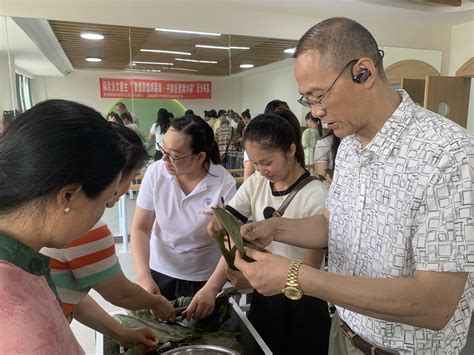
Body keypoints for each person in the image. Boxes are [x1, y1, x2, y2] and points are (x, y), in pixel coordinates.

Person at [234, 17, 474, 354]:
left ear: (363, 72)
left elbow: (435, 304)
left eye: (319, 96)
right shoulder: (348, 146)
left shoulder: (448, 155)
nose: (316, 112)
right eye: (307, 100)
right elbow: (334, 226)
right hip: (344, 335)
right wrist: (276, 228)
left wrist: (295, 276)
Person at [186, 107, 330, 354]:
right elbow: (230, 228)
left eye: (267, 162)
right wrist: (211, 287)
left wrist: (253, 279)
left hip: (302, 301)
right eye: (254, 163)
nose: (261, 170)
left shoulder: (315, 195)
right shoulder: (257, 183)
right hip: (265, 297)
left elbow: (309, 271)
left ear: (291, 150)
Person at [0, 99, 129, 354]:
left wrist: (121, 333)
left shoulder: (21, 257)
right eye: (106, 201)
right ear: (69, 196)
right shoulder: (21, 327)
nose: (104, 212)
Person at [41, 124, 175, 350]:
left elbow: (73, 299)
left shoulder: (47, 208)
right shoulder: (82, 226)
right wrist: (155, 302)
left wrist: (121, 333)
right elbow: (121, 294)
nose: (115, 198)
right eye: (131, 177)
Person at [131, 115, 237, 301]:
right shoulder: (156, 173)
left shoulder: (223, 183)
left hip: (204, 277)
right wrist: (144, 277)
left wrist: (212, 288)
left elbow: (231, 241)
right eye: (163, 149)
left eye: (174, 156)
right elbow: (141, 228)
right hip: (159, 270)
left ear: (200, 157)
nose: (164, 159)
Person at [243, 100, 290, 180]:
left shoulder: (288, 143)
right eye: (256, 163)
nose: (261, 171)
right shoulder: (255, 144)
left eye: (267, 163)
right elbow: (247, 178)